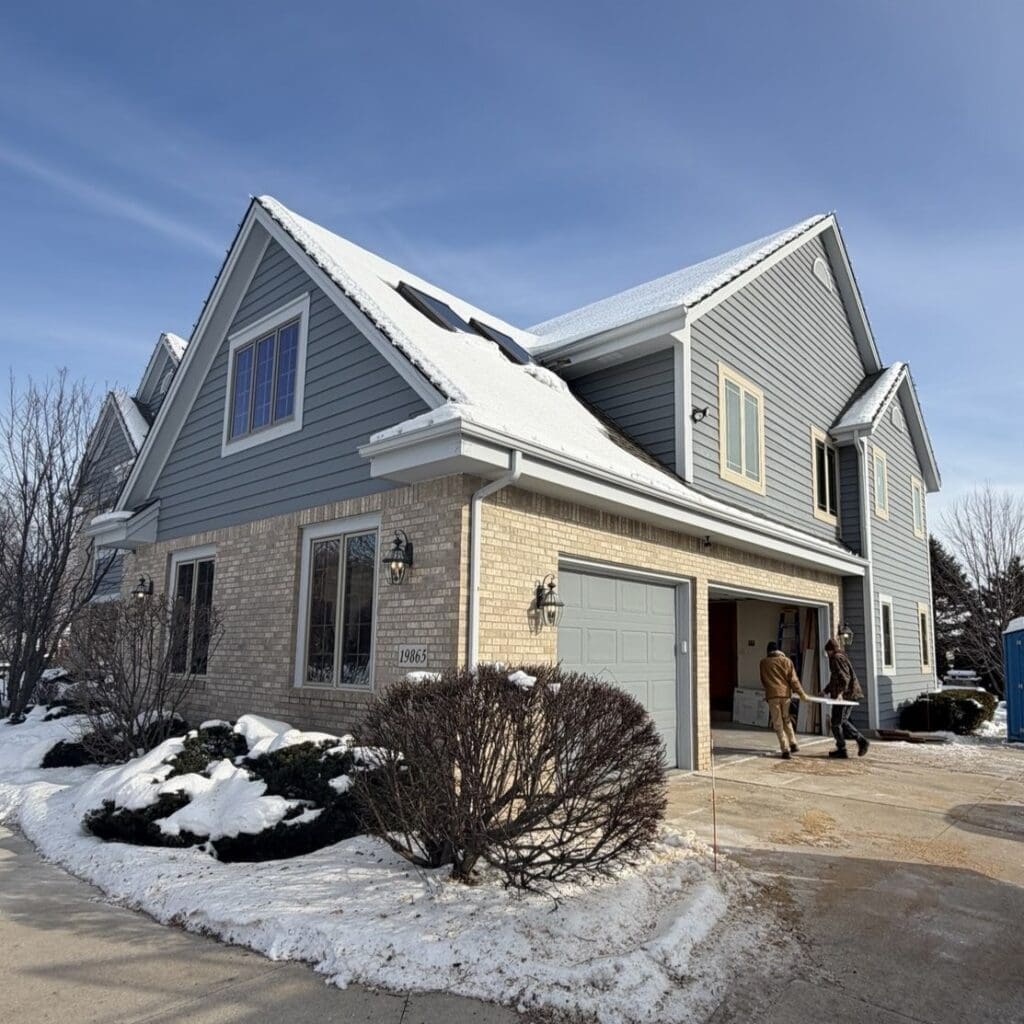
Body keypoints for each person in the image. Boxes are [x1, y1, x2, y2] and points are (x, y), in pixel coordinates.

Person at [759, 641, 810, 759]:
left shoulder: (763, 663)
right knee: (786, 719)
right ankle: (793, 743)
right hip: (786, 695)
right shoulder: (787, 661)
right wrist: (801, 694)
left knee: (777, 723)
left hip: (772, 696)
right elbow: (794, 680)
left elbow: (763, 680)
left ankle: (785, 749)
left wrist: (769, 690)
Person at [824, 637, 869, 758]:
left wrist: (840, 694)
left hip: (846, 695)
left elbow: (845, 678)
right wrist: (825, 691)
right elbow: (835, 679)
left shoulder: (837, 658)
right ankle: (842, 748)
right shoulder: (839, 657)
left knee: (838, 722)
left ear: (830, 650)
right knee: (838, 722)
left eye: (827, 652)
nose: (827, 655)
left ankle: (860, 741)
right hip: (846, 695)